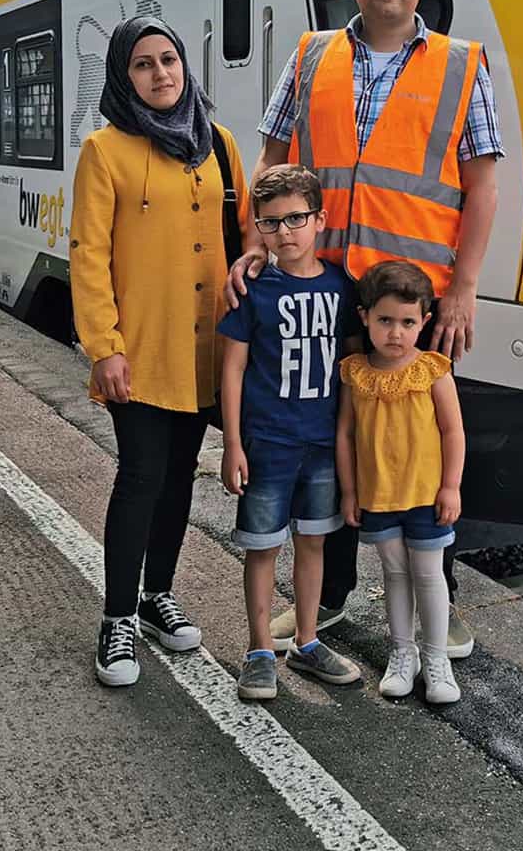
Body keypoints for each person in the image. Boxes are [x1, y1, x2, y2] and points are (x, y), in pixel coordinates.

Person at [225, 0, 503, 657]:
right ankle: (336, 599)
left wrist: (466, 287)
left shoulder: (460, 63)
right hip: (321, 291)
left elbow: (483, 188)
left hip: (415, 305)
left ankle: (442, 598)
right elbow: (273, 156)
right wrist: (258, 242)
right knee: (333, 441)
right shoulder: (312, 56)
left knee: (424, 443)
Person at [70, 15, 248, 687]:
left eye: (169, 59)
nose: (161, 73)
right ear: (124, 76)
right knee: (141, 477)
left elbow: (249, 235)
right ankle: (115, 618)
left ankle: (155, 596)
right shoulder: (105, 151)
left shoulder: (220, 145)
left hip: (204, 349)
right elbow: (88, 256)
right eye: (143, 64)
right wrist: (104, 347)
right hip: (140, 352)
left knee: (179, 478)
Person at [218, 164, 361, 701]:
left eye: (296, 218)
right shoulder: (253, 289)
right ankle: (259, 649)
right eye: (271, 223)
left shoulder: (340, 285)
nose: (285, 232)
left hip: (322, 444)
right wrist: (232, 443)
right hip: (268, 443)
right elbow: (231, 368)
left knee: (314, 542)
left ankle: (305, 640)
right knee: (261, 547)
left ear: (320, 219)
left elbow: (350, 371)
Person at [338, 261, 465, 703]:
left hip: (426, 495)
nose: (396, 332)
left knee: (429, 575)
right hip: (378, 494)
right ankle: (402, 653)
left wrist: (451, 486)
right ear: (365, 318)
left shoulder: (432, 370)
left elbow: (453, 431)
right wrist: (350, 491)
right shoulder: (355, 373)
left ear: (424, 322)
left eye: (408, 322)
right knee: (394, 572)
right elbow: (346, 435)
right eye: (385, 320)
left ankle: (436, 658)